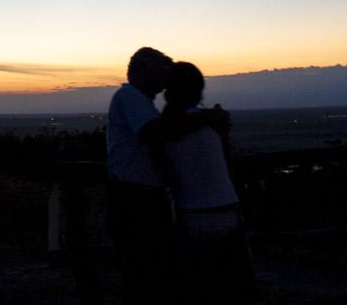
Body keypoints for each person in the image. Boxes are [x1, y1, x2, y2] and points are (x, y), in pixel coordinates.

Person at [106, 48, 231, 305]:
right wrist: (207, 117)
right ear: (143, 73)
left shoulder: (140, 102)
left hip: (142, 197)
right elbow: (156, 133)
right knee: (146, 270)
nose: (164, 83)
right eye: (160, 74)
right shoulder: (129, 95)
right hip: (135, 198)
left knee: (151, 271)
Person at [163, 61, 257, 304]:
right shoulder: (213, 124)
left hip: (192, 213)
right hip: (227, 206)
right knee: (234, 286)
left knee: (200, 286)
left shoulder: (168, 127)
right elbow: (227, 164)